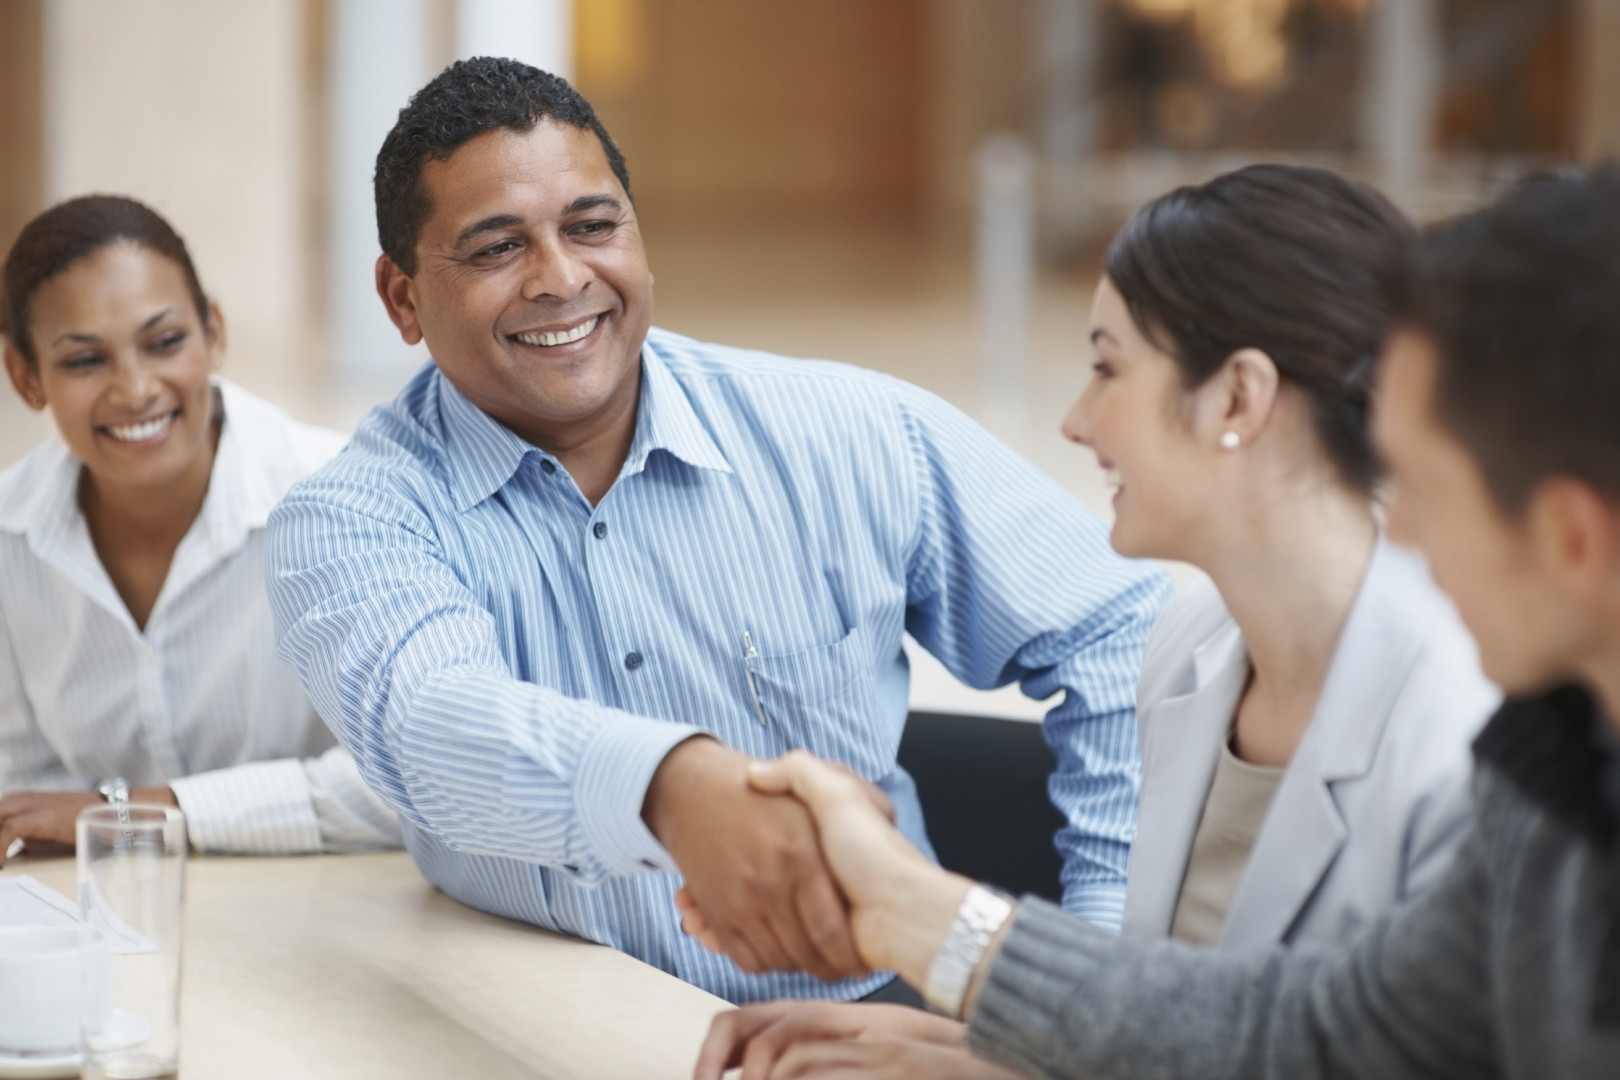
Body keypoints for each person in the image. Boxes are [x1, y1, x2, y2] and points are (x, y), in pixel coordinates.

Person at [265, 57, 1169, 1004]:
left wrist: (1095, 976)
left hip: (875, 1016)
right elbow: (434, 727)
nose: (562, 277)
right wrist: (675, 788)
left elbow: (1120, 631)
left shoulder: (847, 432)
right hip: (552, 1027)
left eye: (592, 226)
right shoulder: (351, 521)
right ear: (403, 297)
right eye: (497, 248)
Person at [694, 169, 1620, 1080]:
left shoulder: (1482, 746)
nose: (1402, 531)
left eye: (1420, 487)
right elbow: (1310, 1038)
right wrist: (979, 1034)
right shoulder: (1548, 774)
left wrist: (924, 923)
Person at [0, 195, 401, 860]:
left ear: (213, 332)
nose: (135, 390)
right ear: (25, 376)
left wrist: (130, 814)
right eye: (84, 360)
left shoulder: (348, 498)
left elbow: (408, 782)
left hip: (334, 922)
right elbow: (25, 804)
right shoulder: (8, 539)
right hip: (108, 930)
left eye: (164, 343)